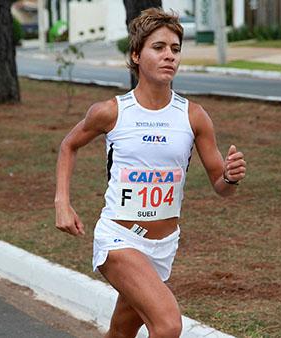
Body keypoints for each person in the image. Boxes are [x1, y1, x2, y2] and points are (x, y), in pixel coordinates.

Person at [55, 8, 246, 338]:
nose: (169, 55)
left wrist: (230, 177)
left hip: (163, 246)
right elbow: (68, 146)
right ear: (136, 54)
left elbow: (220, 186)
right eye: (158, 47)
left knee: (121, 331)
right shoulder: (111, 112)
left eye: (175, 48)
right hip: (119, 238)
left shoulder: (194, 117)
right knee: (168, 324)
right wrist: (62, 202)